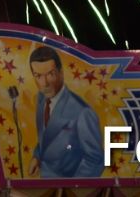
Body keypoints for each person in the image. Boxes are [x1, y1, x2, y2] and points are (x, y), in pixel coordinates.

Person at [24, 45, 104, 179]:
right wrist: (37, 157)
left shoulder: (82, 112)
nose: (44, 83)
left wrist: (71, 187)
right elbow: (47, 137)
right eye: (38, 76)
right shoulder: (41, 99)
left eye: (50, 74)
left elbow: (95, 160)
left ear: (61, 73)